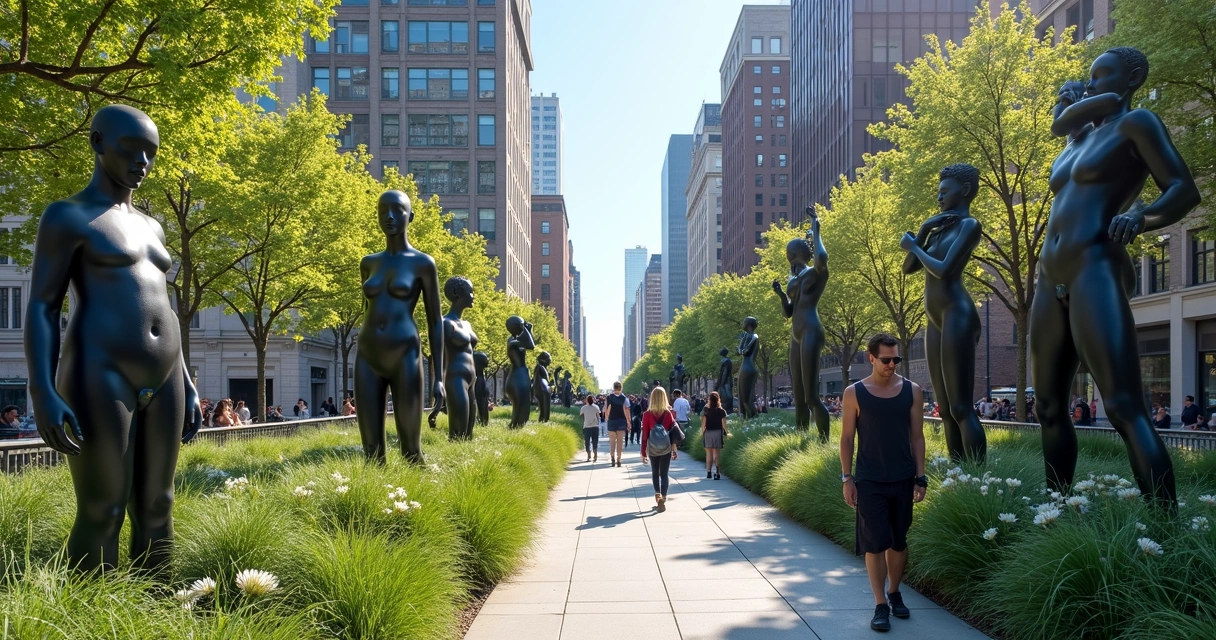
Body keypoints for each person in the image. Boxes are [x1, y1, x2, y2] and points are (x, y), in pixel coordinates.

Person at [23, 105, 203, 573]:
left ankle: (158, 611)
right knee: (104, 509)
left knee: (158, 507)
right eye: (130, 149)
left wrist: (186, 377)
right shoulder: (68, 216)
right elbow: (43, 306)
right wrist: (42, 389)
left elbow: (166, 306)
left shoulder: (153, 226)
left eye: (151, 153)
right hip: (99, 372)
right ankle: (91, 616)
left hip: (166, 376)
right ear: (99, 142)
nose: (142, 161)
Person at [1032, 49, 1200, 506]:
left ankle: (1166, 528)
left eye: (1100, 76)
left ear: (1132, 78)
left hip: (1094, 265)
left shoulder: (1136, 123)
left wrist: (1143, 216)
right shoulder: (1078, 139)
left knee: (1123, 406)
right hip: (1050, 277)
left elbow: (1184, 189)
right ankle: (1058, 510)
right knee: (1047, 406)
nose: (1090, 84)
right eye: (1086, 78)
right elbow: (1062, 126)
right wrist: (1065, 110)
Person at [839, 333, 927, 632]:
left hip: (903, 477)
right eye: (886, 359)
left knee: (898, 541)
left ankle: (894, 592)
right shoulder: (854, 393)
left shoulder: (912, 391)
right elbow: (847, 438)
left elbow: (917, 437)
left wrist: (921, 476)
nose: (892, 364)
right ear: (871, 358)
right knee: (875, 543)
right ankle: (879, 604)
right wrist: (847, 478)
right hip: (869, 479)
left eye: (896, 359)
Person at [354, 189, 445, 463]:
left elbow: (435, 321)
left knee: (411, 450)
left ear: (411, 217)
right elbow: (368, 309)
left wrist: (438, 377)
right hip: (368, 356)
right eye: (383, 212)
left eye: (398, 211)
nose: (389, 217)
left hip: (405, 356)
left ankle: (419, 503)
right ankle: (375, 502)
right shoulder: (368, 263)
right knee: (371, 452)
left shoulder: (422, 263)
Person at [772, 207, 831, 441]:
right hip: (796, 335)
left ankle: (824, 442)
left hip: (810, 330)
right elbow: (788, 312)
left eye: (789, 253)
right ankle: (801, 440)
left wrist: (816, 227)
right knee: (798, 394)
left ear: (795, 254)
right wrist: (780, 294)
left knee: (811, 396)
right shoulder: (794, 279)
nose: (787, 257)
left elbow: (822, 259)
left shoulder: (814, 274)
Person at [641, 386, 678, 512]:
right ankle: (664, 497)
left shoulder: (646, 415)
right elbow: (673, 432)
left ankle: (658, 495)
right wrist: (674, 448)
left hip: (652, 448)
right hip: (666, 448)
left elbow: (645, 435)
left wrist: (643, 452)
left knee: (655, 473)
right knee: (665, 474)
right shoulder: (668, 414)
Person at [701, 392, 728, 480]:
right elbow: (724, 425)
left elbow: (703, 424)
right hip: (717, 432)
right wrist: (727, 433)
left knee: (708, 453)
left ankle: (709, 472)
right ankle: (717, 471)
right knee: (716, 452)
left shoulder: (706, 410)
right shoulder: (721, 411)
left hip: (708, 432)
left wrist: (703, 433)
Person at [604, 382, 631, 467]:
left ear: (613, 388)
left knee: (612, 441)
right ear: (621, 388)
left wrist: (607, 418)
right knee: (620, 442)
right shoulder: (624, 398)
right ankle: (619, 459)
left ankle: (612, 458)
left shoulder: (609, 397)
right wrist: (629, 422)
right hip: (621, 422)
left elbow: (606, 409)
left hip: (612, 421)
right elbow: (627, 410)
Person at [580, 395, 600, 462]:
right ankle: (595, 453)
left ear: (586, 400)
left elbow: (582, 416)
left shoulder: (583, 408)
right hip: (595, 426)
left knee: (587, 441)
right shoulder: (596, 407)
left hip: (587, 426)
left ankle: (588, 453)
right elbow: (598, 415)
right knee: (595, 441)